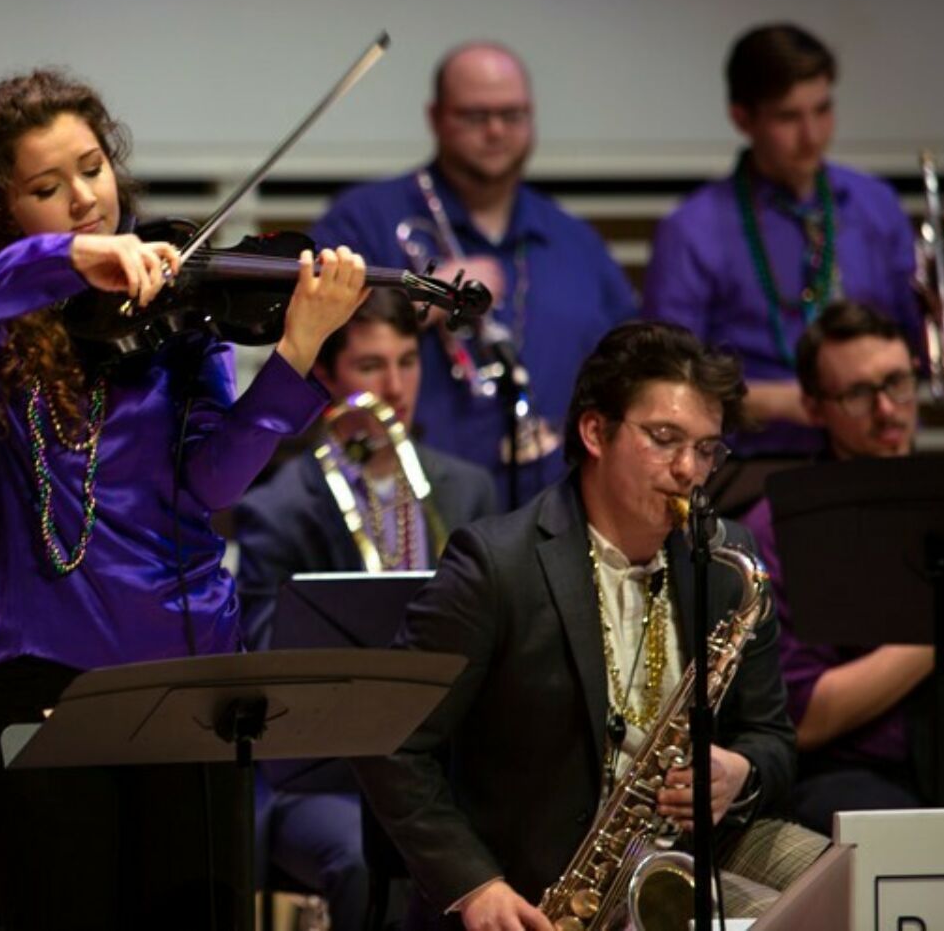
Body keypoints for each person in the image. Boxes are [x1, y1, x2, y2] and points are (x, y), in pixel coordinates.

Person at [0, 68, 369, 928]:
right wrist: (64, 262)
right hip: (42, 680)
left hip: (190, 673)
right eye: (46, 187)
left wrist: (296, 355)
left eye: (94, 168)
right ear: (4, 212)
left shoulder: (178, 303)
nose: (83, 198)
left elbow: (211, 482)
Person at [352, 321, 824, 930]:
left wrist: (741, 772)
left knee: (840, 872)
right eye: (664, 439)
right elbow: (389, 742)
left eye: (706, 448)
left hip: (691, 851)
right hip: (541, 883)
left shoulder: (729, 559)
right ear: (595, 431)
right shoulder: (497, 565)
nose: (689, 470)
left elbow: (772, 738)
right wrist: (476, 886)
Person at [235, 289, 497, 929]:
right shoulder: (278, 509)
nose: (396, 385)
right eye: (372, 366)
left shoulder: (469, 487)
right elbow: (273, 663)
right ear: (326, 376)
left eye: (408, 362)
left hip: (448, 763)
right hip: (328, 780)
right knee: (363, 858)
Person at [312, 41, 636, 511]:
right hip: (408, 508)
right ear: (436, 117)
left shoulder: (575, 241)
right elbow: (306, 345)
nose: (497, 131)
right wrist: (420, 298)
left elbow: (629, 369)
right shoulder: (364, 220)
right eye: (475, 116)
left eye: (513, 114)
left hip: (553, 508)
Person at [643, 23, 923, 457]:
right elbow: (665, 382)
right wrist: (782, 401)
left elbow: (914, 343)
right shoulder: (691, 230)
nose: (812, 135)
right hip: (758, 467)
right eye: (789, 117)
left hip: (873, 454)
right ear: (742, 118)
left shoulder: (875, 204)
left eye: (823, 109)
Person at [742, 301, 935, 834]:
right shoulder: (779, 528)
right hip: (849, 772)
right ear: (814, 407)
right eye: (857, 393)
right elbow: (801, 719)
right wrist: (934, 629)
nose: (888, 410)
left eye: (897, 382)